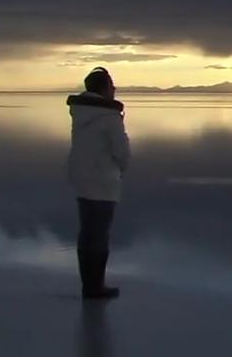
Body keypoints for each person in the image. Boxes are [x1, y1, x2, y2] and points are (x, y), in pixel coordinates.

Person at [67, 67, 130, 300]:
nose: (114, 89)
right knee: (99, 234)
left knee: (88, 232)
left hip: (81, 177)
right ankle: (96, 286)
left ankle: (89, 284)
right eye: (111, 85)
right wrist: (121, 168)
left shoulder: (81, 112)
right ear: (103, 89)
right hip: (102, 181)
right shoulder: (109, 118)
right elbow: (122, 152)